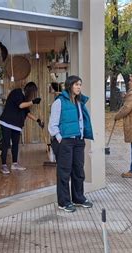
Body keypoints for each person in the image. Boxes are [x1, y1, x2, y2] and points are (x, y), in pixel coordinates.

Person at [48, 75, 94, 213]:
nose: (79, 87)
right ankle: (64, 202)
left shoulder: (79, 102)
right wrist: (59, 137)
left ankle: (78, 198)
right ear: (69, 86)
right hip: (65, 141)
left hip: (78, 141)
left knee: (78, 171)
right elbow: (52, 124)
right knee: (64, 172)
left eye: (80, 84)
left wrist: (82, 136)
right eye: (76, 84)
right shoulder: (60, 102)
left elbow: (81, 121)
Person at [0, 82, 44, 174]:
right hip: (7, 123)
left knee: (15, 144)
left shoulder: (25, 99)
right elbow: (20, 105)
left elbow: (26, 113)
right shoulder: (17, 92)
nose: (32, 95)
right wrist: (33, 102)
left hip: (16, 126)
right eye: (33, 93)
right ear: (29, 90)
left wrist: (38, 120)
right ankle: (3, 165)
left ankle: (14, 164)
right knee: (6, 144)